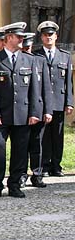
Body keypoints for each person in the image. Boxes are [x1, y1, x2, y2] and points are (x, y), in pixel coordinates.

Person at [0, 22, 42, 199]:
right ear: (9, 38)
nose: (22, 40)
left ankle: (15, 184)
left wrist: (34, 113)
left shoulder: (29, 60)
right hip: (1, 115)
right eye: (19, 37)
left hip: (22, 115)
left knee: (20, 152)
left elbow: (35, 90)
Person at [35, 21, 73, 177]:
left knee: (58, 136)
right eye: (45, 35)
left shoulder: (65, 56)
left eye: (51, 34)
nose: (48, 37)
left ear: (56, 36)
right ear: (41, 37)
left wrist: (69, 102)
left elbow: (69, 82)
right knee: (43, 135)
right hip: (42, 102)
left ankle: (56, 166)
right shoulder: (36, 55)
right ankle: (44, 165)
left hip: (59, 101)